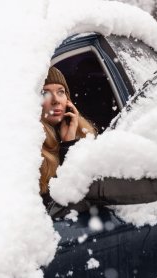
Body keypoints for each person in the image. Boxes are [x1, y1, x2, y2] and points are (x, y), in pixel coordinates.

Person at [39, 67, 96, 210]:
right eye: (45, 93)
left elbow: (88, 193)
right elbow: (60, 207)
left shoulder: (84, 136)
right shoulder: (31, 149)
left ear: (68, 100)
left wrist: (69, 142)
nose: (56, 100)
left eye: (61, 92)